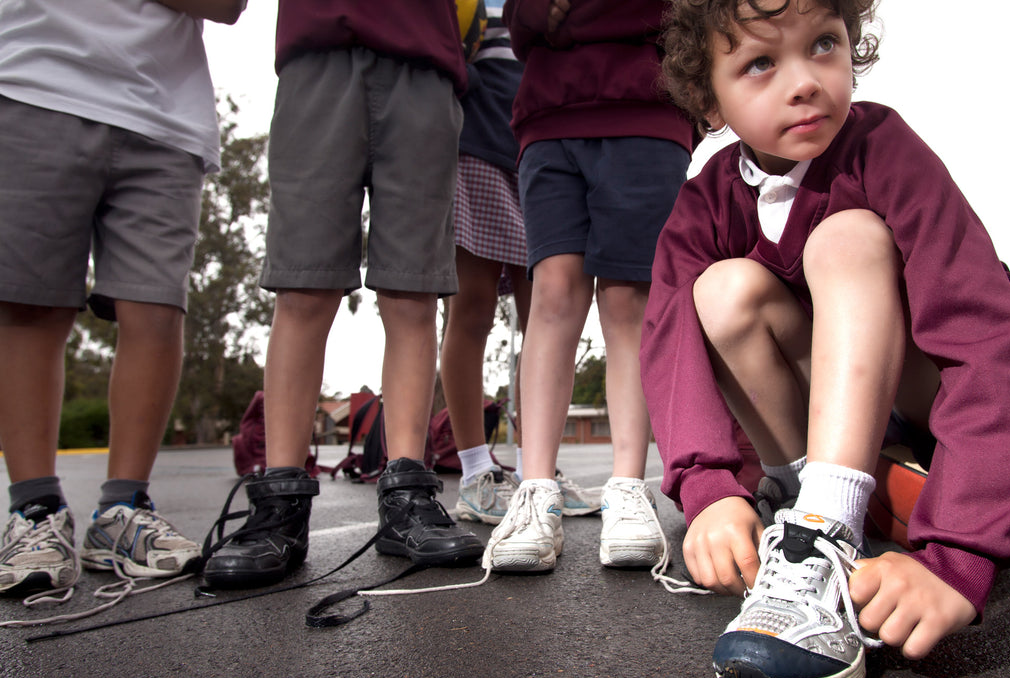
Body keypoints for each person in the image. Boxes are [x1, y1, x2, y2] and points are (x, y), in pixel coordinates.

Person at [644, 0, 1010, 678]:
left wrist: (960, 551)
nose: (805, 81)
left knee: (845, 236)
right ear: (708, 105)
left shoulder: (884, 149)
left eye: (824, 45)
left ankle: (827, 528)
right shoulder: (705, 202)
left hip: (949, 442)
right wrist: (708, 488)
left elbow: (981, 336)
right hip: (847, 448)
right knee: (721, 291)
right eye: (760, 63)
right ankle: (804, 504)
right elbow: (665, 343)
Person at [200, 0, 486, 589]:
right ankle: (281, 499)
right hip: (318, 53)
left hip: (426, 62)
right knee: (303, 285)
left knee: (413, 292)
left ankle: (406, 494)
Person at [0, 0, 246, 601]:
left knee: (156, 309)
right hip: (33, 80)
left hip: (164, 113)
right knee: (30, 307)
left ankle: (123, 510)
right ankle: (35, 511)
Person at [482, 0, 695, 573]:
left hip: (646, 107)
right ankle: (535, 490)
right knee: (552, 294)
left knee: (629, 298)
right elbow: (521, 21)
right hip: (552, 112)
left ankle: (627, 487)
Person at [440, 2, 532, 525]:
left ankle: (534, 468)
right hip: (476, 141)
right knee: (471, 308)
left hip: (539, 143)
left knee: (544, 315)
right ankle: (476, 471)